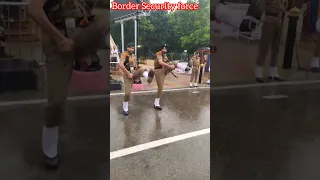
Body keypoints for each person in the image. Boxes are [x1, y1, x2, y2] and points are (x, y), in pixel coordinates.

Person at [27, 0, 108, 168]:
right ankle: (49, 146)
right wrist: (59, 38)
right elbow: (33, 10)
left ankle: (86, 55)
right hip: (57, 38)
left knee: (108, 17)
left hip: (80, 35)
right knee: (56, 101)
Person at [118, 42, 154, 115]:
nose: (132, 49)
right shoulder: (124, 54)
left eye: (133, 48)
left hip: (134, 73)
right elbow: (120, 65)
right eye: (131, 47)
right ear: (127, 47)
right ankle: (125, 109)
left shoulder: (133, 55)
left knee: (142, 69)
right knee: (127, 94)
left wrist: (137, 75)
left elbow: (135, 66)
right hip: (127, 75)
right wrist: (128, 73)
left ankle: (148, 78)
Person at [254, 0, 286, 83]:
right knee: (264, 47)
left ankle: (273, 72)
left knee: (276, 48)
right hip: (268, 20)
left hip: (278, 20)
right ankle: (258, 71)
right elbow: (259, 5)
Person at [153, 44, 189, 110]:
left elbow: (168, 63)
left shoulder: (165, 55)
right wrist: (170, 67)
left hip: (164, 70)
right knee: (160, 87)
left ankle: (184, 68)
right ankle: (156, 103)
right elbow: (161, 63)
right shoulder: (158, 54)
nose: (164, 50)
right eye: (163, 49)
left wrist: (172, 67)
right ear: (161, 49)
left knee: (175, 62)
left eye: (165, 49)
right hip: (158, 71)